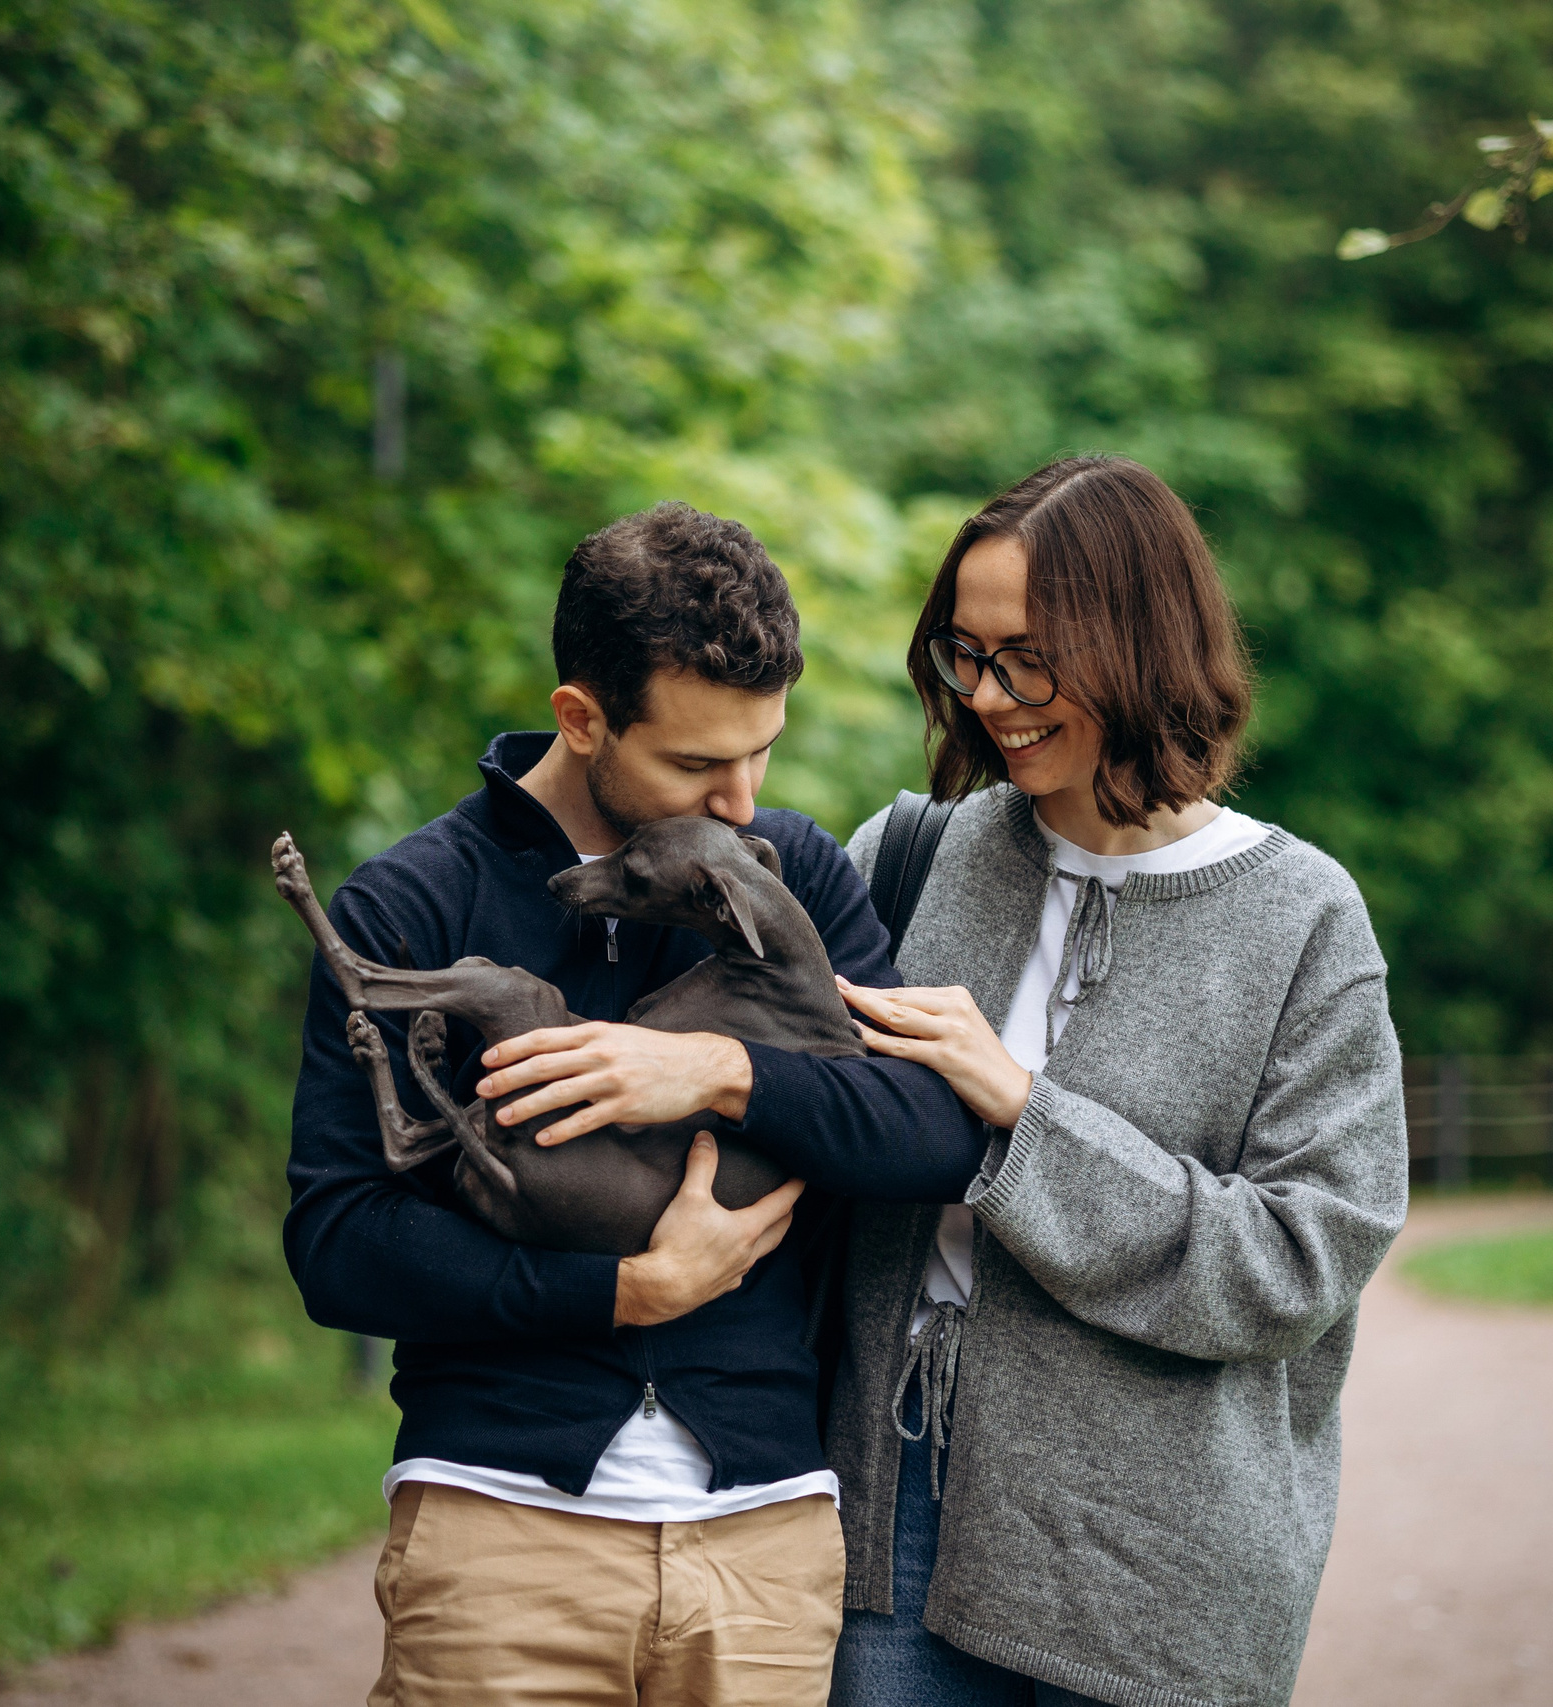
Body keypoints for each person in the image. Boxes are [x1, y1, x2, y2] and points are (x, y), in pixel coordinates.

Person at [283, 501, 985, 1707]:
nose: (740, 802)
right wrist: (625, 1294)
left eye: (761, 751)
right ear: (581, 715)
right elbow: (338, 1245)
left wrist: (720, 1072)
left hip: (763, 1542)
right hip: (498, 1537)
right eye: (697, 764)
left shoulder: (791, 873)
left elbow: (929, 1132)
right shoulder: (411, 903)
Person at [822, 457, 1410, 1707]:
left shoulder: (1300, 918)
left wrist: (1020, 1122)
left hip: (1163, 1573)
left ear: (1138, 645)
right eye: (963, 655)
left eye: (1028, 657)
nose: (989, 697)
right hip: (893, 1518)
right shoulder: (907, 859)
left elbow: (1301, 1261)